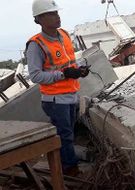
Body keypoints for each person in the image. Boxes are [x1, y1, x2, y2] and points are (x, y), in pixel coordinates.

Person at [25, 0, 89, 176]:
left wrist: (79, 71)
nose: (57, 16)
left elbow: (69, 63)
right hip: (55, 100)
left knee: (68, 133)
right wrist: (63, 74)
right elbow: (36, 76)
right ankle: (69, 169)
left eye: (56, 12)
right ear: (39, 19)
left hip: (70, 94)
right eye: (51, 14)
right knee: (64, 135)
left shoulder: (64, 34)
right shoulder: (36, 45)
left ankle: (66, 163)